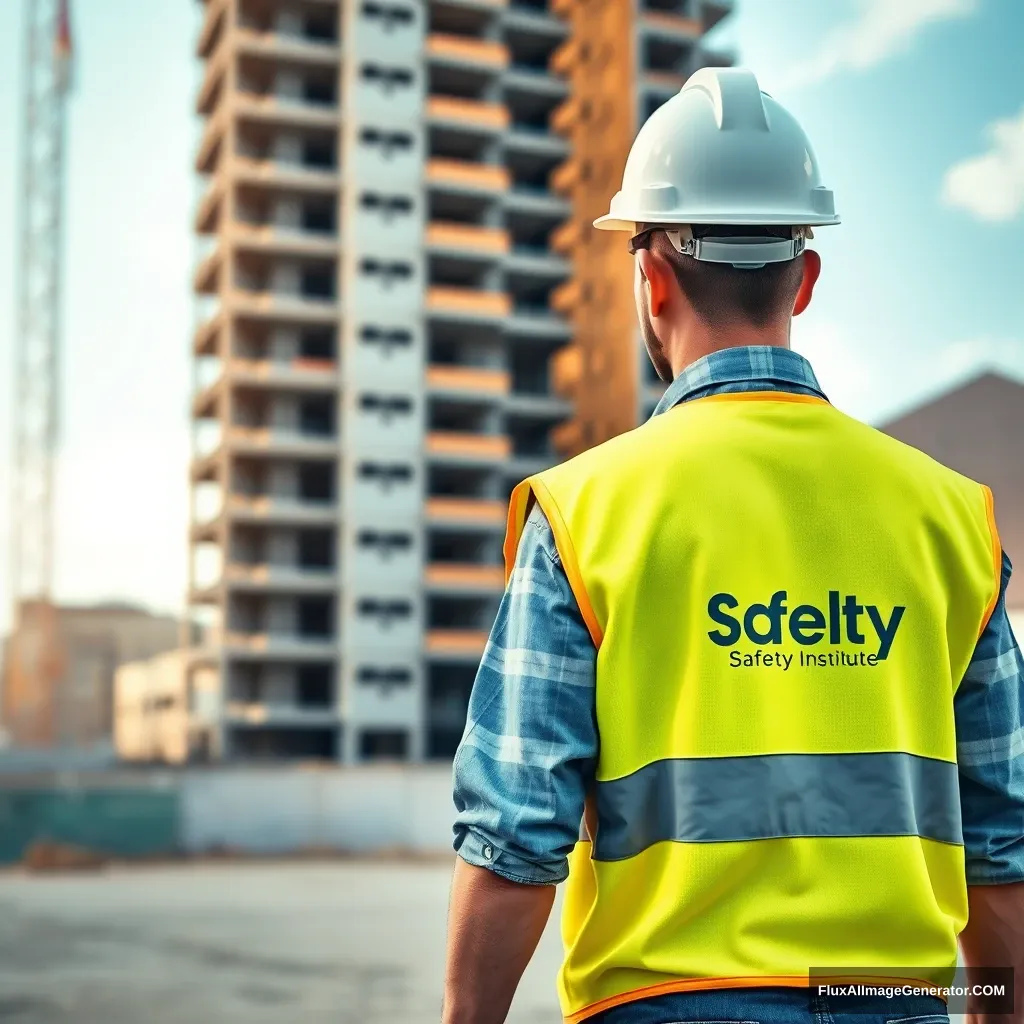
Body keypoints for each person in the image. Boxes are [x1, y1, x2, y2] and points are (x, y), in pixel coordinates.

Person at [442, 67, 1024, 1024]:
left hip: (667, 1002)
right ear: (805, 275)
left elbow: (513, 836)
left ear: (652, 276)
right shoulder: (950, 517)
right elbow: (1001, 836)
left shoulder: (589, 512)